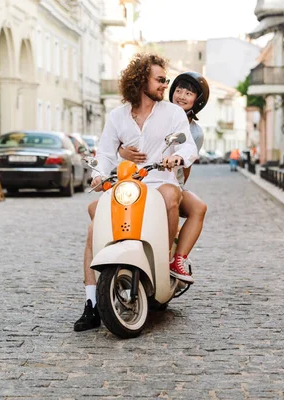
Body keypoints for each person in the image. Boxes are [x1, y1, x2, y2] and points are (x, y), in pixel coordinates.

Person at [74, 53, 198, 332]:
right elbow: (105, 152)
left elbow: (187, 146)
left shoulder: (173, 113)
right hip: (128, 184)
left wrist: (177, 158)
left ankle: (165, 261)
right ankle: (92, 304)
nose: (165, 85)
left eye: (166, 80)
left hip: (159, 180)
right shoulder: (117, 116)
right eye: (160, 80)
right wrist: (98, 174)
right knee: (94, 226)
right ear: (141, 79)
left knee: (170, 195)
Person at [119, 72, 209, 284]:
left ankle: (177, 260)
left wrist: (179, 187)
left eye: (188, 93)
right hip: (142, 178)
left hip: (170, 182)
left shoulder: (195, 132)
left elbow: (186, 165)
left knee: (198, 207)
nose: (181, 96)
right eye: (178, 90)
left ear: (198, 100)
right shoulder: (157, 113)